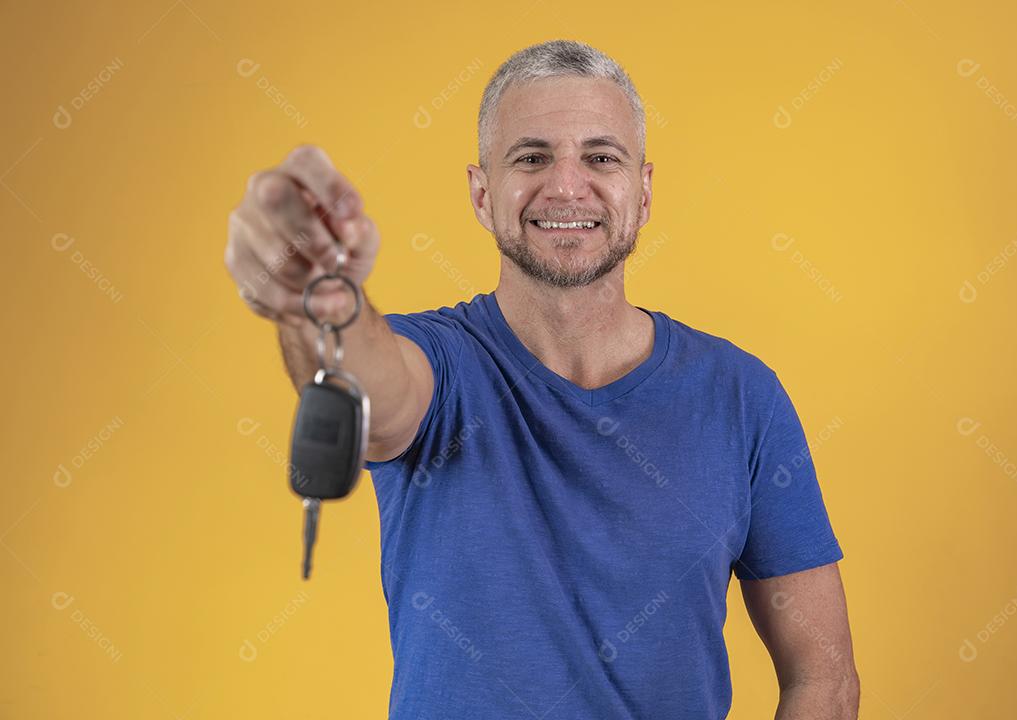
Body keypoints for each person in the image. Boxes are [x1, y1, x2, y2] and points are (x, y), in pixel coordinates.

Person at [225, 38, 859, 720]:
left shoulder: (741, 397)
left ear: (641, 193)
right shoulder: (439, 360)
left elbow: (822, 677)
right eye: (531, 157)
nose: (565, 185)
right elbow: (375, 400)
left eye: (600, 157)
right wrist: (312, 297)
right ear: (481, 192)